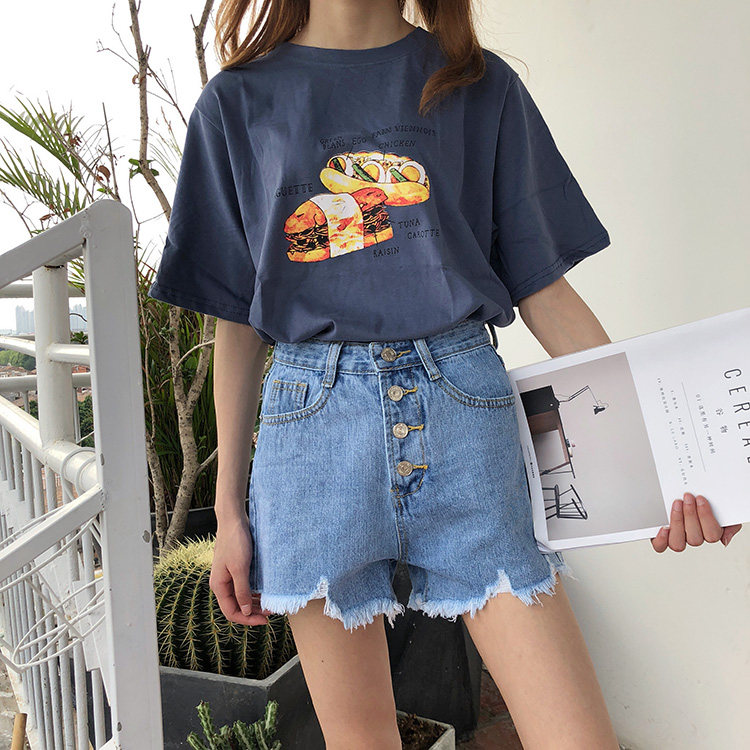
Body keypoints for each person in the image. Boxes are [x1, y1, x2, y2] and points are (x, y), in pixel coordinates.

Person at [147, 1, 742, 748]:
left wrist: (669, 466)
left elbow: (544, 292)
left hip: (464, 419)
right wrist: (229, 510)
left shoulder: (477, 85)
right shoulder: (236, 102)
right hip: (311, 441)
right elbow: (236, 321)